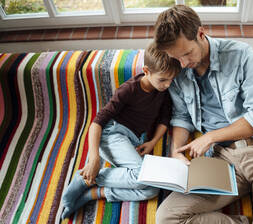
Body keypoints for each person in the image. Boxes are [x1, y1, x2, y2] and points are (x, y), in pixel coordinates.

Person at [153, 5, 253, 224]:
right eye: (176, 58)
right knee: (166, 218)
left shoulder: (240, 55)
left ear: (200, 34)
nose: (183, 64)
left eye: (187, 54)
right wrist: (176, 152)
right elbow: (182, 117)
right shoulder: (178, 70)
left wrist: (210, 137)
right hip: (223, 160)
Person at [61, 42, 181, 219]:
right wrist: (94, 158)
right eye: (163, 79)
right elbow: (97, 123)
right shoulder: (129, 89)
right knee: (142, 175)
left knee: (152, 189)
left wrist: (153, 142)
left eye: (172, 79)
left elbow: (164, 118)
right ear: (147, 71)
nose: (168, 85)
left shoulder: (163, 90)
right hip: (113, 135)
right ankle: (86, 176)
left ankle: (95, 193)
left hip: (136, 141)